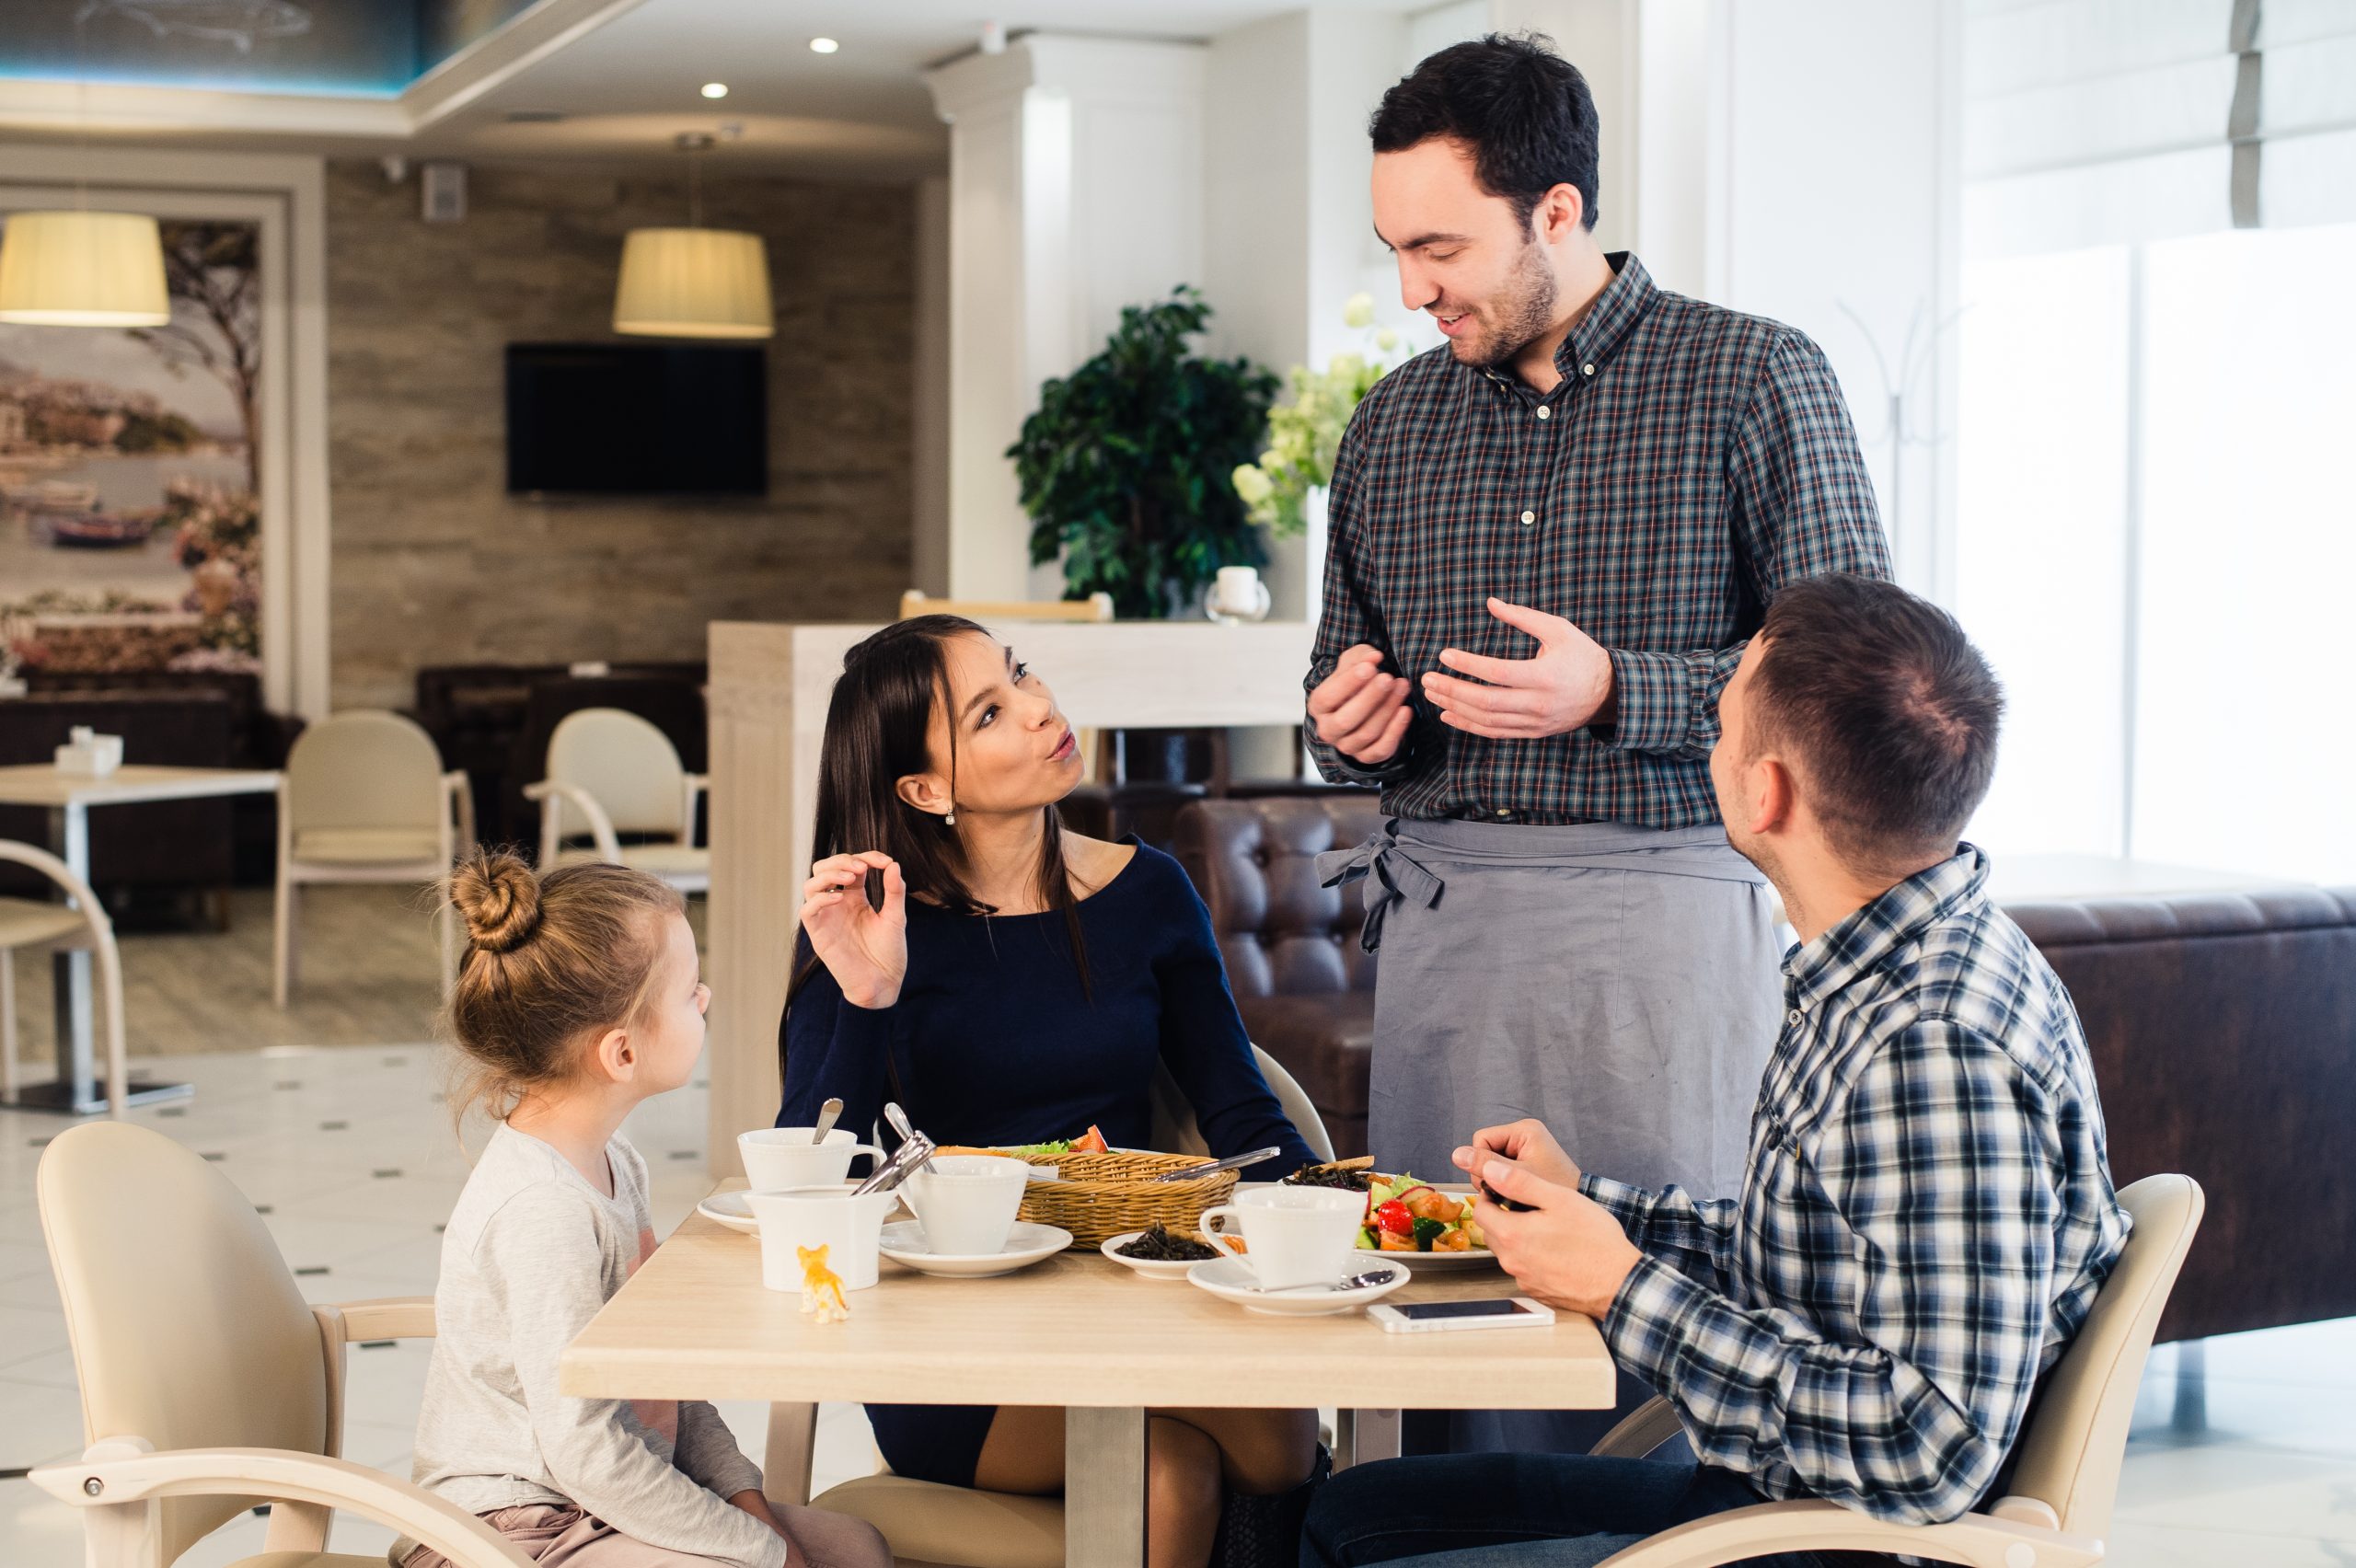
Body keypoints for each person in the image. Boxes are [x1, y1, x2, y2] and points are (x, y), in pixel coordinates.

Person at [1304, 32, 1892, 1455]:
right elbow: (1335, 678)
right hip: (1443, 939)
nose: (1412, 289)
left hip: (1667, 934)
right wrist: (1344, 725)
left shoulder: (1757, 378)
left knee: (1661, 1343)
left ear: (1557, 211)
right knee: (1447, 1328)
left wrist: (1619, 690)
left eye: (1439, 246)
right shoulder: (1388, 426)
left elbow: (1855, 679)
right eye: (1393, 249)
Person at [1300, 574, 2133, 1568]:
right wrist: (1599, 1213)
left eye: (1721, 729)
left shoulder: (1932, 1042)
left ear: (1764, 789)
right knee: (1351, 1515)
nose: (1709, 750)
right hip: (1781, 1498)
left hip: (1838, 1545)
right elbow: (1820, 1262)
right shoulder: (1881, 962)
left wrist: (1622, 1289)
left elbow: (1928, 1449)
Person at [778, 614, 1322, 1568]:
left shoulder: (1147, 891)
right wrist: (866, 999)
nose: (1039, 710)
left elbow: (1240, 1114)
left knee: (1230, 1455)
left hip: (1126, 1292)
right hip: (952, 1340)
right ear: (924, 786)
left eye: (1021, 677)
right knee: (1239, 1452)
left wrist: (1353, 1222)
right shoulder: (869, 927)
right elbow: (807, 1193)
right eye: (990, 711)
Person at [401, 852, 890, 1568]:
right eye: (688, 990)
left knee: (853, 1546)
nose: (706, 998)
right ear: (622, 1053)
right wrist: (761, 1551)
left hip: (599, 1499)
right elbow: (583, 1447)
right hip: (502, 1532)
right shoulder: (545, 1211)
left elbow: (667, 1387)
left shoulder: (615, 1162)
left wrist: (750, 1508)